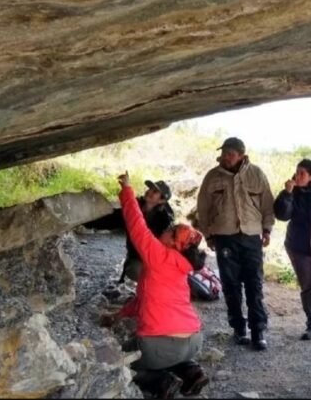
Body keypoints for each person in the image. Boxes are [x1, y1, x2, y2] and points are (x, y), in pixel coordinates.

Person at [105, 172, 209, 399]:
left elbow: (135, 223)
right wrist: (118, 315)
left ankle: (161, 382)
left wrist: (127, 190)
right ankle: (192, 371)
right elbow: (144, 299)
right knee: (169, 355)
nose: (166, 229)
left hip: (158, 344)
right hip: (193, 340)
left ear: (174, 243)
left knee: (121, 361)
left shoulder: (157, 254)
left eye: (170, 231)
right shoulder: (181, 266)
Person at [196, 137, 275, 350]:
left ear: (241, 154)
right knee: (230, 285)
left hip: (251, 236)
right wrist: (208, 235)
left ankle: (258, 331)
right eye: (224, 153)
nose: (225, 157)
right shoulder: (212, 176)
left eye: (230, 154)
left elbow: (267, 203)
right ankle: (239, 329)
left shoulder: (256, 174)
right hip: (224, 237)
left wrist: (267, 229)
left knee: (254, 284)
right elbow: (202, 208)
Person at [273, 159, 311, 340]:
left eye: (303, 173)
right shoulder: (291, 193)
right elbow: (282, 215)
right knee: (307, 285)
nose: (299, 176)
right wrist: (287, 194)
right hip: (298, 246)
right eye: (297, 172)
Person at [117, 179, 174, 284]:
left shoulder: (164, 221)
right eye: (150, 189)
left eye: (155, 192)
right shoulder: (136, 204)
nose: (149, 192)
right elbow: (115, 218)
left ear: (161, 201)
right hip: (136, 257)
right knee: (136, 270)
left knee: (145, 273)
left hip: (154, 259)